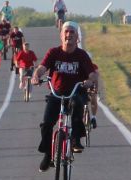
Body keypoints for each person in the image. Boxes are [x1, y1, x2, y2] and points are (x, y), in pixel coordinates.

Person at [33, 20, 97, 169]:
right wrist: (36, 75)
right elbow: (42, 67)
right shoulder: (54, 52)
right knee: (46, 124)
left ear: (77, 38)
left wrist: (89, 81)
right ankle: (48, 154)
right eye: (66, 32)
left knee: (77, 104)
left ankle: (75, 140)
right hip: (57, 93)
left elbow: (92, 74)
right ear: (61, 36)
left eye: (72, 32)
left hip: (76, 91)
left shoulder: (82, 55)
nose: (69, 35)